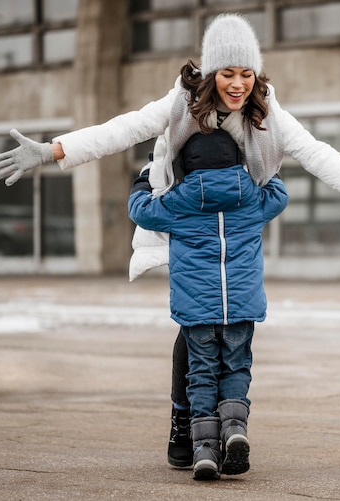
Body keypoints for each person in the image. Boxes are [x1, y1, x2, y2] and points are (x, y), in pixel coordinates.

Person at [0, 13, 340, 473]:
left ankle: (194, 429)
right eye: (227, 73)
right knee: (198, 334)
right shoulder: (181, 101)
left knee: (196, 331)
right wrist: (51, 149)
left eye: (246, 74)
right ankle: (190, 423)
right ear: (210, 72)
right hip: (184, 211)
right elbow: (122, 129)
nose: (237, 84)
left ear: (256, 74)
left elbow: (317, 152)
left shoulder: (265, 108)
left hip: (231, 223)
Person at [128, 128, 289, 479]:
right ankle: (235, 428)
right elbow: (279, 195)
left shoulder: (179, 201)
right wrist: (267, 168)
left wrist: (145, 176)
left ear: (185, 164)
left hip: (197, 310)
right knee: (235, 368)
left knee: (200, 375)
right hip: (241, 306)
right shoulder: (252, 197)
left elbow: (140, 211)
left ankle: (204, 450)